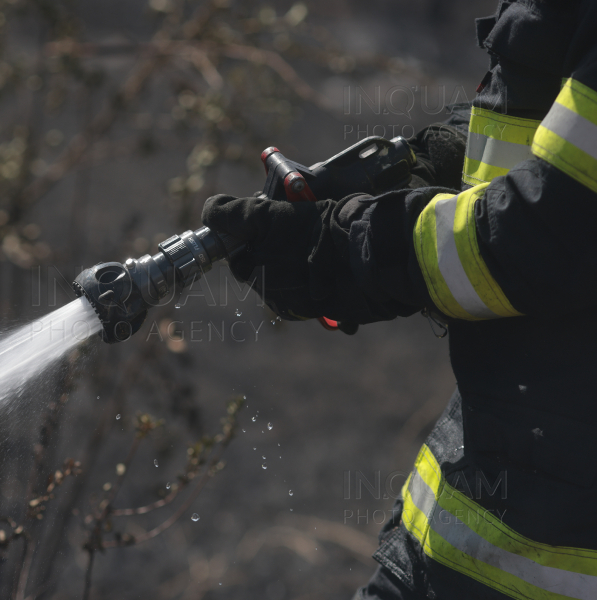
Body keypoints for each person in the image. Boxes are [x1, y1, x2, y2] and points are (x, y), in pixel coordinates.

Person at [202, 0, 597, 598]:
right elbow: (549, 119)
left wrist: (351, 247)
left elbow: (547, 235)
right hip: (475, 528)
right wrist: (427, 164)